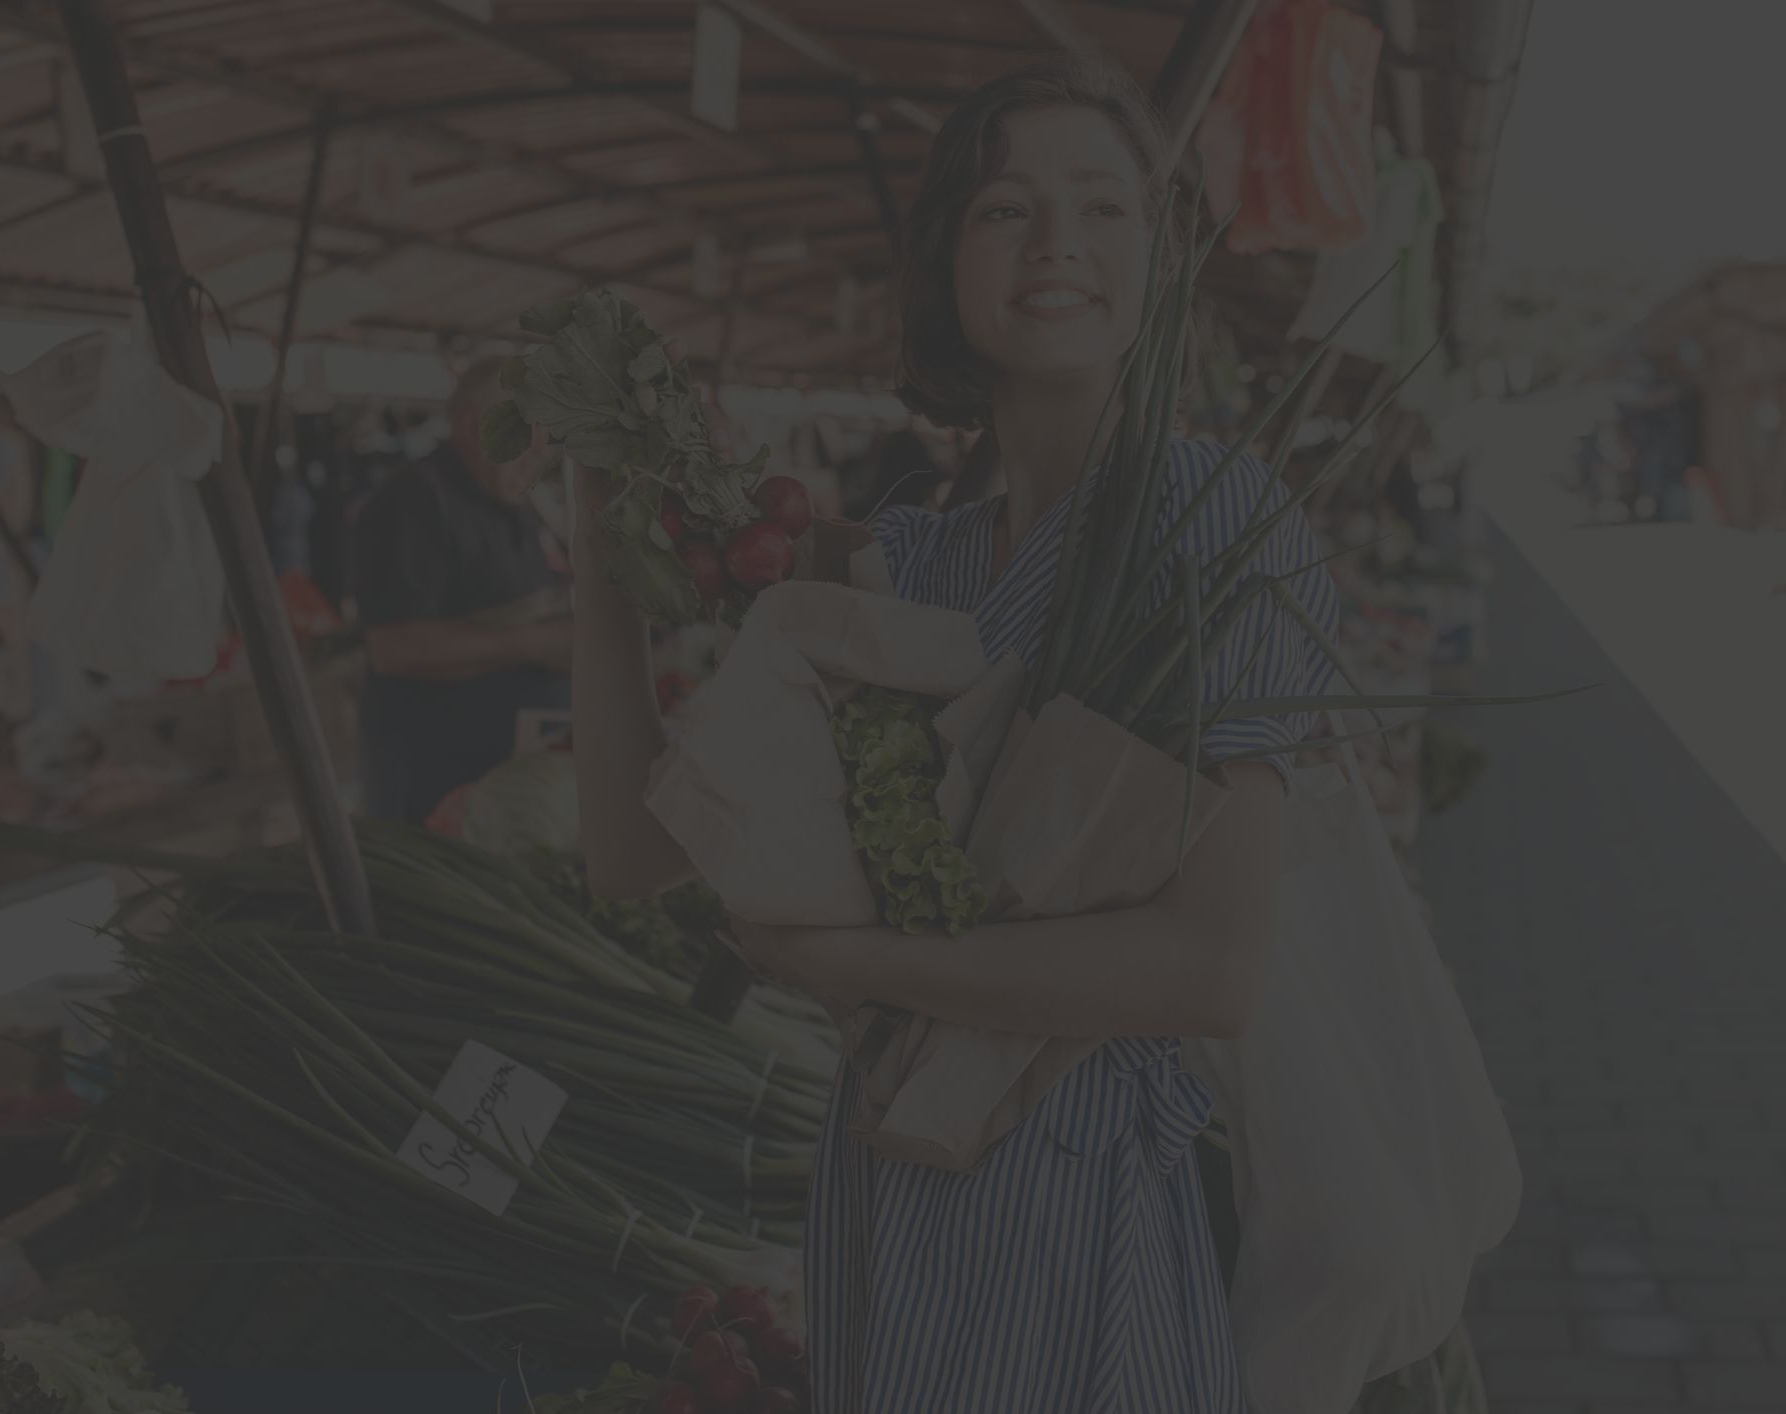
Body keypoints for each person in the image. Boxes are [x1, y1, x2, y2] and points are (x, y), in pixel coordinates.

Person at [569, 58, 1339, 1413]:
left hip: (1073, 1207)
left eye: (1103, 209)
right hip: (888, 1194)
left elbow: (1210, 964)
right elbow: (636, 851)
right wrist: (600, 563)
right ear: (947, 263)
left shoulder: (1213, 523)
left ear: (1155, 264)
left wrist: (849, 964)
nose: (1055, 243)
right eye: (1003, 209)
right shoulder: (903, 566)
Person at [351, 358, 572, 823]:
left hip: (503, 771)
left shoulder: (514, 497)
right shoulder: (413, 503)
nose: (541, 446)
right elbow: (395, 649)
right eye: (528, 430)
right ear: (476, 425)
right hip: (435, 776)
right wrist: (536, 644)